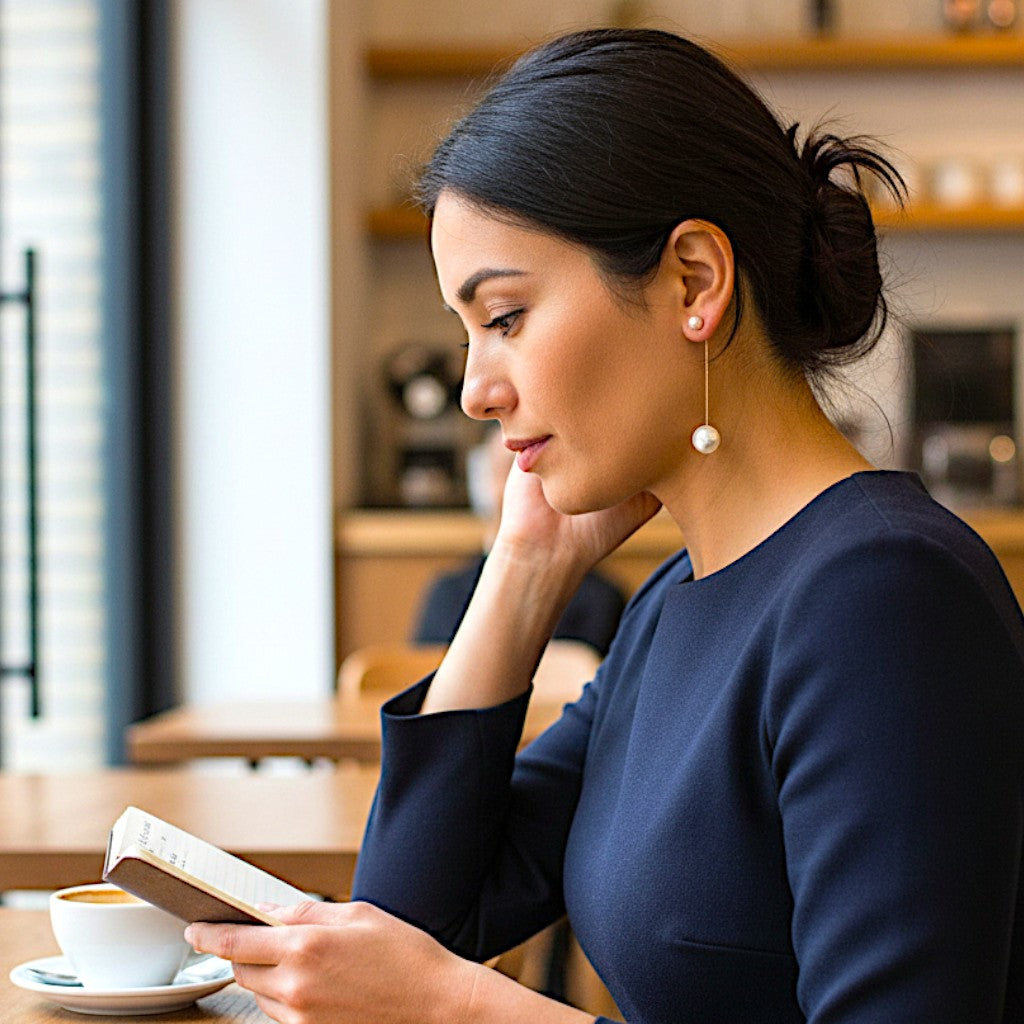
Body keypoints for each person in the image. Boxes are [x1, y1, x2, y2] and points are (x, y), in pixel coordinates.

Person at [186, 28, 1024, 1024]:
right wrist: (524, 571)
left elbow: (423, 981)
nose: (473, 390)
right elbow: (408, 925)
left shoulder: (882, 598)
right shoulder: (676, 600)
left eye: (504, 317)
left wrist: (466, 1009)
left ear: (693, 283)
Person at [413, 425, 626, 657]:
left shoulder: (602, 599)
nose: (521, 486)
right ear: (482, 481)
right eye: (507, 470)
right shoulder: (449, 593)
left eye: (534, 468)